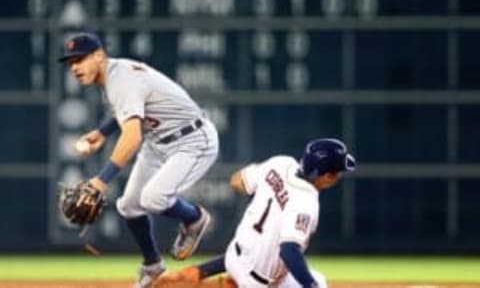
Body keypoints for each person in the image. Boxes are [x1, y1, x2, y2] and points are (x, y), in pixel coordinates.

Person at [58, 32, 219, 288]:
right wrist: (102, 132)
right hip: (157, 142)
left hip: (192, 140)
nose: (75, 68)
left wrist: (101, 181)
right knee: (129, 207)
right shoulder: (113, 76)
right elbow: (128, 111)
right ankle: (153, 266)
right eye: (71, 63)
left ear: (99, 56)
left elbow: (132, 138)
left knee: (153, 199)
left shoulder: (120, 79)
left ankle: (194, 218)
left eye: (80, 59)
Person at [158, 138, 356, 288]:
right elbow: (289, 251)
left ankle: (201, 273)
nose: (338, 176)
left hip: (233, 257)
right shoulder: (306, 202)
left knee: (318, 280)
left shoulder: (280, 164)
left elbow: (236, 181)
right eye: (338, 172)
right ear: (327, 176)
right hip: (259, 282)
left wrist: (268, 184)